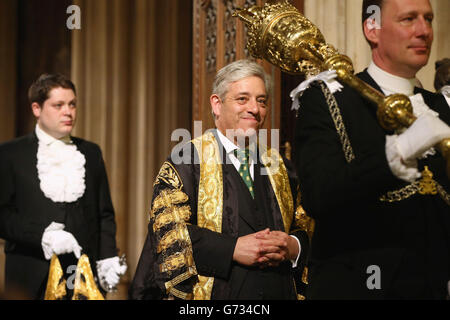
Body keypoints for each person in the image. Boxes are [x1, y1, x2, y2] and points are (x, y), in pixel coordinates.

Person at [292, 0, 450, 299]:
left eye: (428, 19)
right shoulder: (326, 99)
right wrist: (397, 153)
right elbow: (318, 194)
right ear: (372, 28)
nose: (424, 30)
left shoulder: (439, 106)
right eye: (408, 19)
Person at [129, 59, 310, 300]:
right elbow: (168, 234)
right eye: (242, 99)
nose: (254, 109)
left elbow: (305, 227)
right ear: (217, 104)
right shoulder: (187, 161)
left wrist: (293, 246)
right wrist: (232, 249)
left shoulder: (281, 166)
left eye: (261, 101)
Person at [0, 74, 127, 299]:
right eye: (58, 105)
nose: (68, 112)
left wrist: (107, 258)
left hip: (83, 279)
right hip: (29, 280)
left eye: (72, 104)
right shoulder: (10, 154)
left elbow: (104, 214)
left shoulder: (91, 152)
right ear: (37, 109)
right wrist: (43, 235)